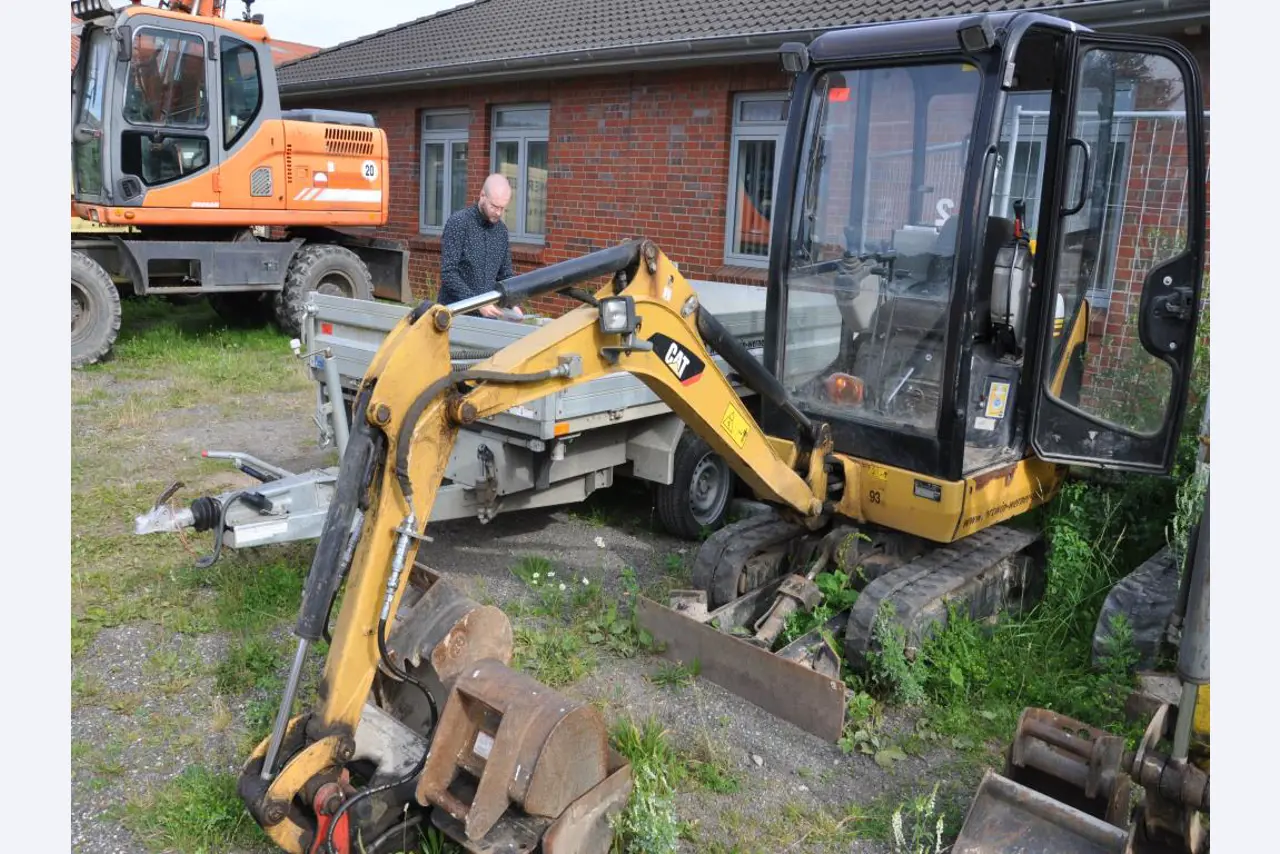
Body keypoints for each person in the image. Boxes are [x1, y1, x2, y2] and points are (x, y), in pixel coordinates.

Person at [437, 173, 523, 319]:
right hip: (454, 314)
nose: (498, 213)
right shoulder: (459, 223)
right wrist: (477, 303)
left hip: (487, 317)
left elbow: (505, 275)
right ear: (482, 195)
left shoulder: (502, 231)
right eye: (494, 206)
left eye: (502, 208)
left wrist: (514, 304)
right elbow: (448, 274)